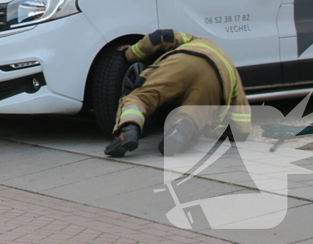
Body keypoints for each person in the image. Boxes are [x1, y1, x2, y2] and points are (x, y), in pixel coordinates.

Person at [104, 28, 252, 158]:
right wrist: (216, 130)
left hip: (182, 62)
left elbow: (160, 36)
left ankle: (129, 129)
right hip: (215, 77)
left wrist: (130, 53)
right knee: (193, 115)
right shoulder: (231, 70)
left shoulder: (193, 40)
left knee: (140, 98)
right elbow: (241, 127)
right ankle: (182, 131)